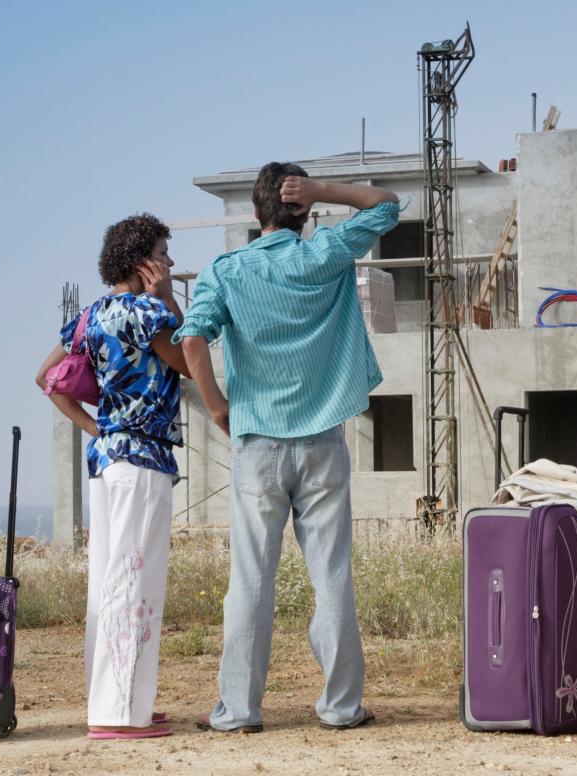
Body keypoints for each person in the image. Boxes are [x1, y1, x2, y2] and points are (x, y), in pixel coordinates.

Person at [173, 162, 399, 732]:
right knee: (332, 576)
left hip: (258, 445)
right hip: (323, 440)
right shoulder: (326, 252)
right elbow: (387, 204)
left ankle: (240, 711)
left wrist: (218, 407)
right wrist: (324, 191)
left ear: (255, 213)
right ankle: (342, 707)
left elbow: (194, 336)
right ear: (304, 212)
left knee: (250, 579)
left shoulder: (228, 271)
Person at [35, 213, 190, 740]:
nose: (169, 262)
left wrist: (96, 429)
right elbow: (190, 361)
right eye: (164, 253)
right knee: (136, 583)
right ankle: (120, 715)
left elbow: (46, 379)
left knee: (109, 585)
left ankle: (116, 701)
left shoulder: (90, 316)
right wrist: (170, 298)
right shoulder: (150, 313)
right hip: (143, 462)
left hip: (107, 463)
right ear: (143, 260)